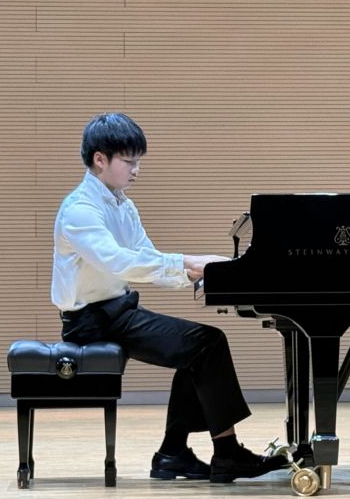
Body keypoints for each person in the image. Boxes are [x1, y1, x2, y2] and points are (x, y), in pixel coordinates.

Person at [51, 112, 287, 483]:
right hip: (92, 323)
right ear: (100, 159)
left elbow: (147, 258)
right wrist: (189, 263)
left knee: (197, 347)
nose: (136, 169)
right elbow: (119, 262)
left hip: (117, 313)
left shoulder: (123, 205)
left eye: (138, 161)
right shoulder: (80, 210)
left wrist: (204, 272)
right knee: (206, 344)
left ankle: (173, 454)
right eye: (129, 161)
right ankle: (224, 453)